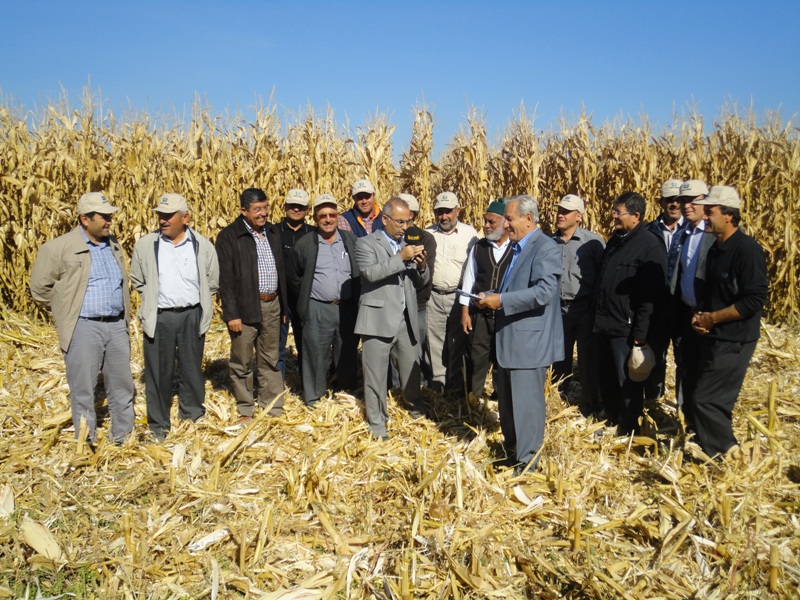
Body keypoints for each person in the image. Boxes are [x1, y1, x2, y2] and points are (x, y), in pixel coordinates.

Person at [30, 192, 135, 445]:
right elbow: (40, 290)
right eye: (104, 217)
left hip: (116, 325)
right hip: (83, 327)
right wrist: (66, 310)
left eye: (110, 216)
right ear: (85, 219)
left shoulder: (113, 245)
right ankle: (86, 445)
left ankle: (123, 439)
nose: (109, 221)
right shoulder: (58, 248)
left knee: (122, 387)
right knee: (83, 390)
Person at [475, 195, 563, 473]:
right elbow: (516, 288)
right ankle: (513, 451)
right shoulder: (517, 247)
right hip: (511, 339)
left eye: (510, 219)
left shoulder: (545, 248)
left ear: (528, 219)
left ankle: (528, 462)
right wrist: (491, 295)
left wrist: (501, 300)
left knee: (526, 405)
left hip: (529, 342)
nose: (506, 225)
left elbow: (544, 292)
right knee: (509, 403)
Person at [683, 186, 768, 458]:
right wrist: (700, 316)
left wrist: (713, 318)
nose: (705, 216)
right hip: (713, 336)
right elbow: (712, 294)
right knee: (702, 396)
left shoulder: (747, 250)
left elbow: (754, 299)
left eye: (710, 211)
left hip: (735, 338)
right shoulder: (716, 250)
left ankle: (729, 454)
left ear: (729, 215)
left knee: (706, 399)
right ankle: (710, 451)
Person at [130, 193, 219, 442]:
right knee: (158, 372)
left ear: (185, 217)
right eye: (160, 215)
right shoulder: (146, 245)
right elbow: (138, 279)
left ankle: (192, 416)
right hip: (160, 317)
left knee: (191, 369)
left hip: (192, 315)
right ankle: (159, 425)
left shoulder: (202, 245)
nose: (163, 220)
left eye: (169, 215)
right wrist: (153, 300)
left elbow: (212, 281)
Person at [355, 197, 430, 440]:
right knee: (375, 376)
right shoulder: (366, 243)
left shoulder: (406, 244)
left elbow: (421, 281)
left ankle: (415, 407)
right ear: (385, 219)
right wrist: (401, 258)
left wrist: (422, 266)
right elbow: (370, 273)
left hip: (405, 318)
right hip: (378, 318)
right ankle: (377, 423)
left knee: (410, 370)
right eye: (400, 222)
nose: (405, 227)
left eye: (408, 222)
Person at [593, 192, 667, 435]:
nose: (613, 216)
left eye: (618, 212)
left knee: (627, 380)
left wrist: (640, 335)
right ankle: (612, 416)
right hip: (606, 322)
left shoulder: (649, 245)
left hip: (626, 327)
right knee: (607, 376)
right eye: (613, 211)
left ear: (636, 216)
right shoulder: (616, 241)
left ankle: (628, 426)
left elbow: (651, 296)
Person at [216, 188, 288, 423]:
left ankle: (272, 406)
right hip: (245, 307)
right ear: (244, 211)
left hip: (272, 304)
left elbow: (282, 271)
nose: (263, 213)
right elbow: (226, 280)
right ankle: (246, 408)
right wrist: (232, 314)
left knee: (270, 359)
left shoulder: (273, 232)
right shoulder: (230, 236)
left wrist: (283, 307)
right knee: (242, 361)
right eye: (257, 209)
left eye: (265, 208)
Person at [290, 194, 360, 408]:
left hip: (347, 307)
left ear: (338, 216)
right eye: (322, 216)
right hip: (318, 308)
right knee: (315, 354)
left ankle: (345, 394)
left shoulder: (349, 240)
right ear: (315, 218)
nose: (328, 219)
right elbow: (295, 277)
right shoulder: (305, 244)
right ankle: (314, 399)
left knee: (346, 352)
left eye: (332, 215)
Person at [550, 194, 606, 412]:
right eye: (559, 211)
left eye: (566, 212)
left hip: (584, 308)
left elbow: (603, 276)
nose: (560, 215)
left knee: (587, 359)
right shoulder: (549, 242)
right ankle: (558, 400)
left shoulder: (592, 243)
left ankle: (590, 402)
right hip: (558, 309)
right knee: (559, 357)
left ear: (579, 216)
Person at [666, 180, 713, 416]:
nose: (686, 206)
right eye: (683, 200)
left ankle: (701, 418)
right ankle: (684, 417)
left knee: (705, 371)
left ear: (706, 200)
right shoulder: (683, 234)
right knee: (684, 366)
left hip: (708, 317)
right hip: (685, 313)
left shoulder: (715, 234)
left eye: (693, 200)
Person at [425, 192, 478, 396]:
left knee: (457, 343)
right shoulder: (427, 234)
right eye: (440, 212)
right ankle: (438, 388)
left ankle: (455, 388)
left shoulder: (470, 234)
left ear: (457, 210)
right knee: (434, 343)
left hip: (458, 298)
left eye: (448, 211)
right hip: (434, 296)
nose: (444, 216)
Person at [459, 200, 512, 398]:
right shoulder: (479, 247)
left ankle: (500, 398)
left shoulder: (516, 248)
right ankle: (474, 397)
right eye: (485, 221)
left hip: (505, 315)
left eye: (491, 222)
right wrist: (465, 312)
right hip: (480, 315)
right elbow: (468, 281)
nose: (486, 226)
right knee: (476, 357)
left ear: (505, 223)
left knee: (502, 358)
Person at [644, 178, 688, 401]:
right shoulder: (648, 231)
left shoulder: (691, 232)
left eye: (678, 199)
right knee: (654, 357)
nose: (674, 204)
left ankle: (682, 408)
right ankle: (653, 401)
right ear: (661, 202)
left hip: (682, 307)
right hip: (656, 307)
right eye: (669, 199)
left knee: (684, 359)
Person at [276, 188, 314, 379]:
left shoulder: (314, 234)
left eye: (300, 207)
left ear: (307, 210)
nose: (296, 210)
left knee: (305, 343)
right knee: (277, 345)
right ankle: (278, 384)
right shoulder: (273, 232)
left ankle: (305, 382)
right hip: (279, 299)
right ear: (285, 207)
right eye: (292, 206)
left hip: (304, 298)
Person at [398, 193, 437, 348]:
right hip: (392, 305)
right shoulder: (389, 237)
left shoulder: (426, 239)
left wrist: (421, 266)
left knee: (415, 350)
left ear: (411, 215)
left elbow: (426, 277)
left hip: (417, 304)